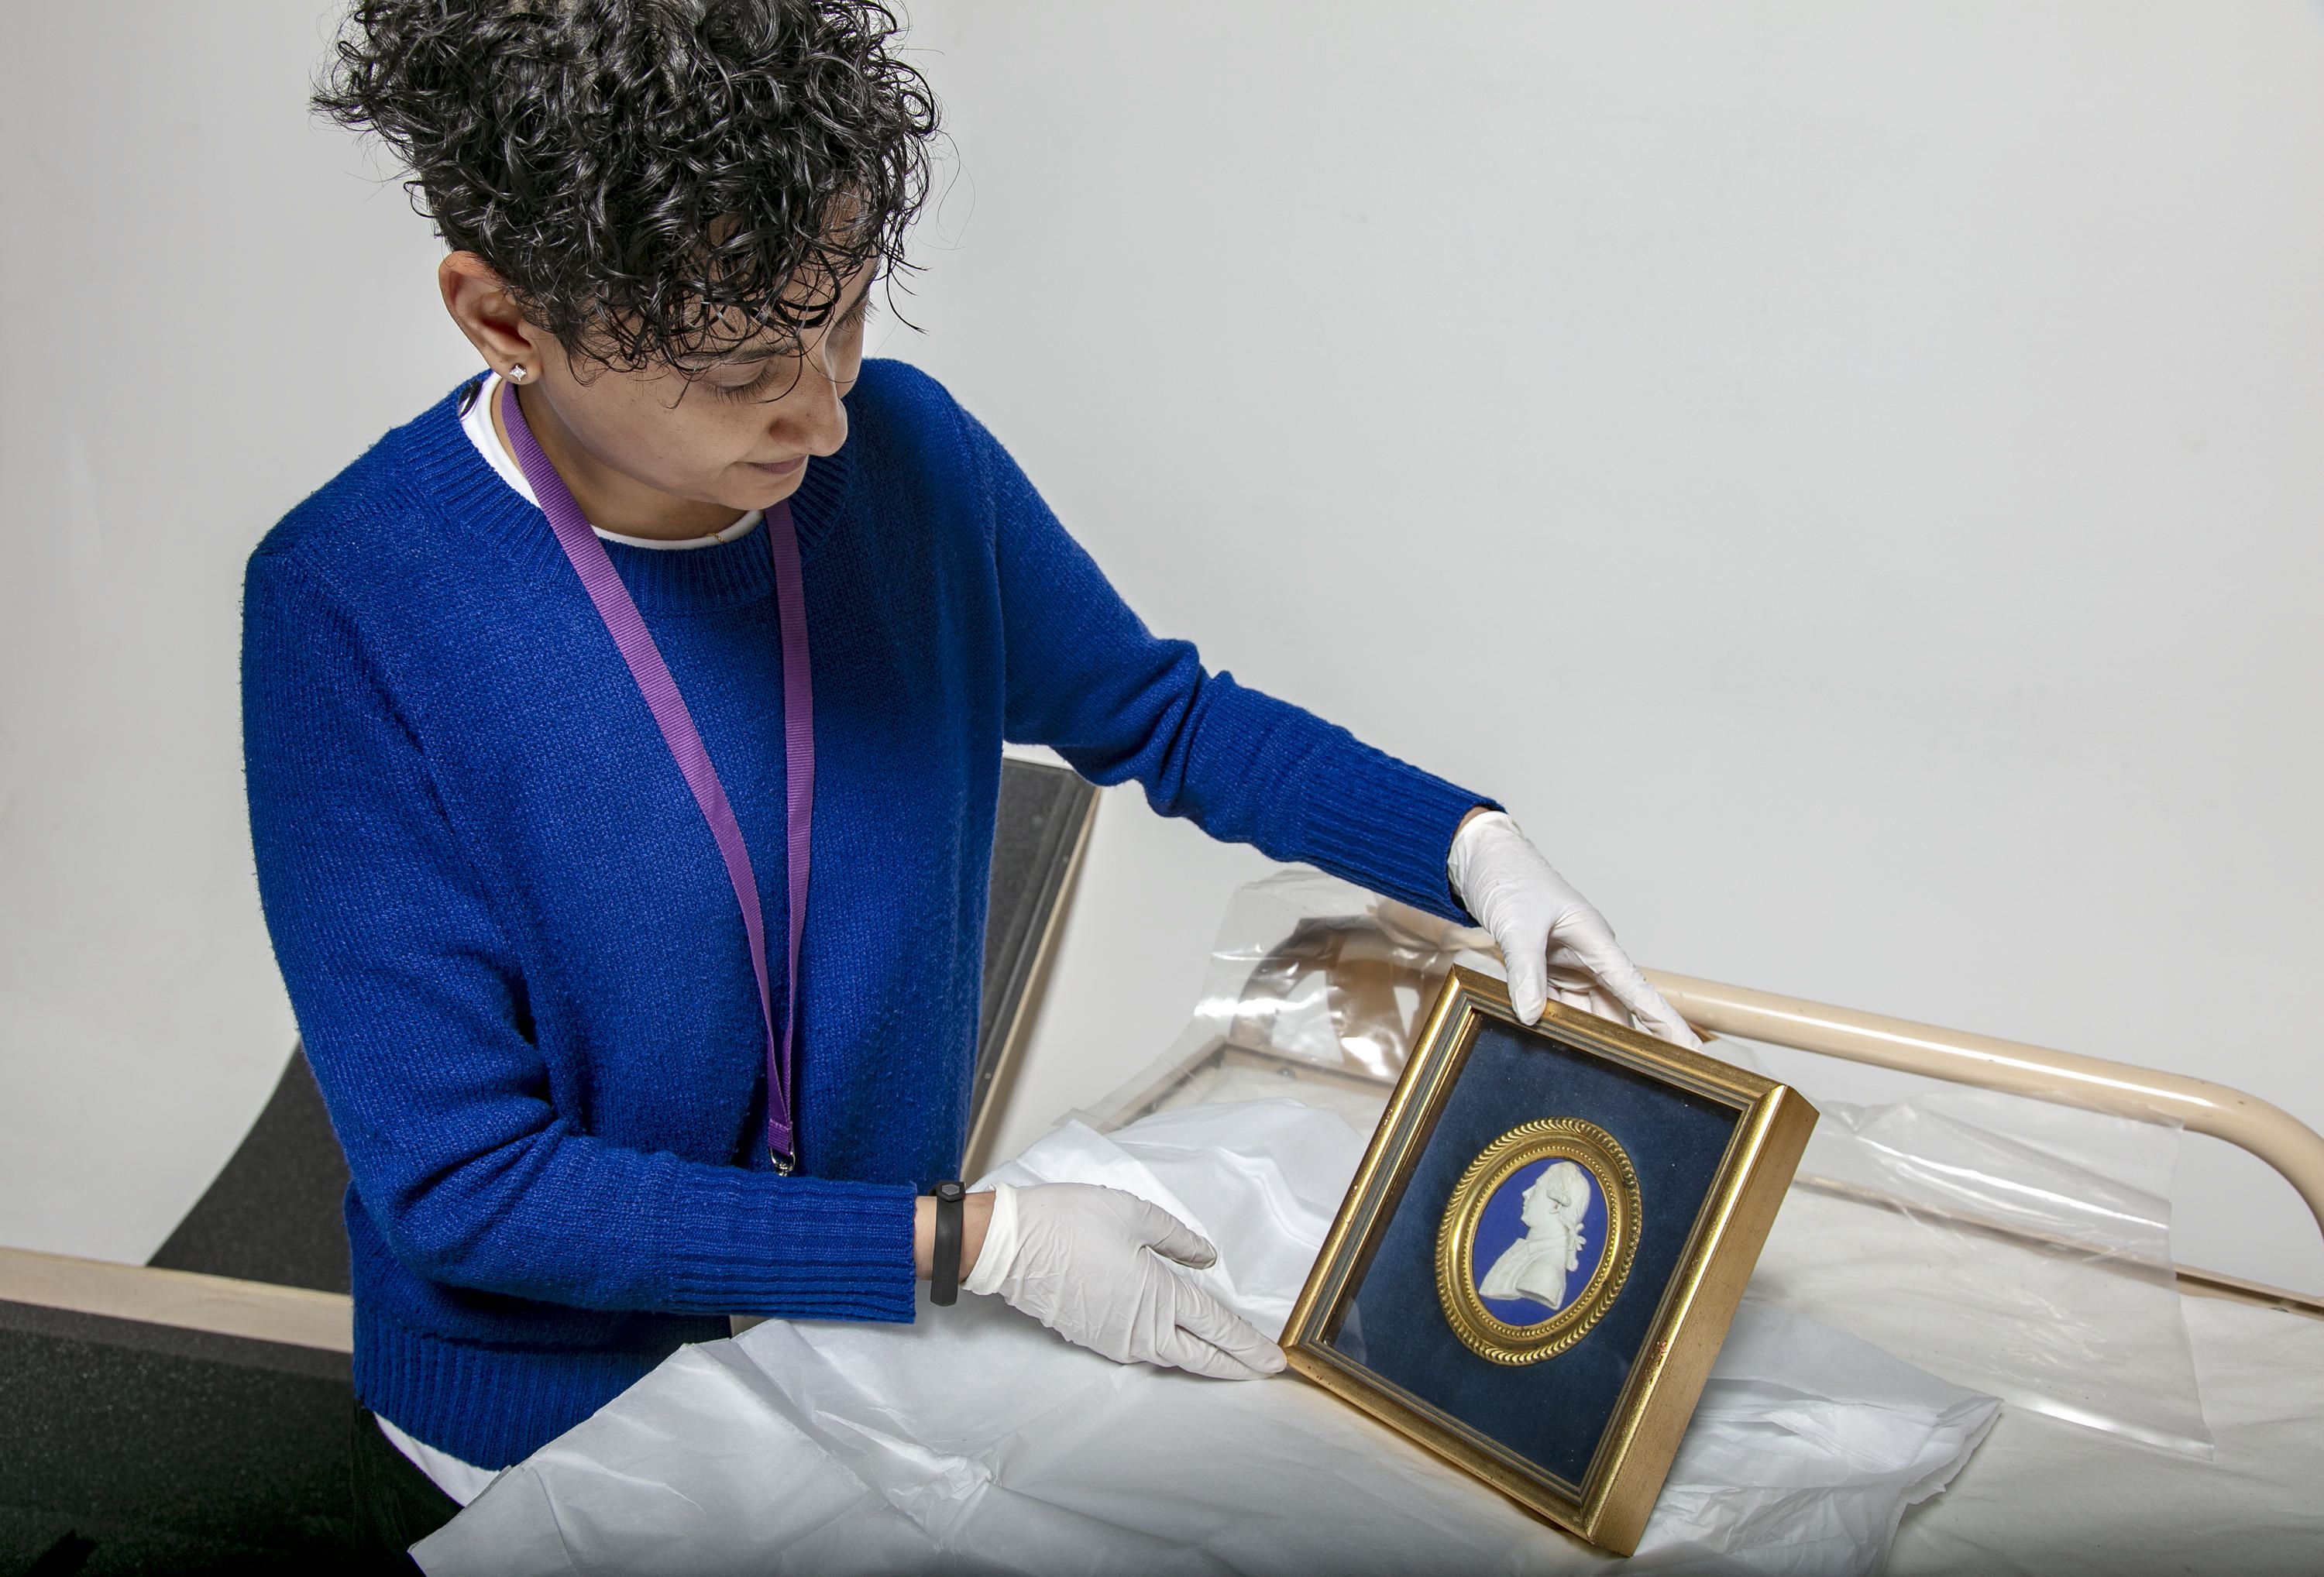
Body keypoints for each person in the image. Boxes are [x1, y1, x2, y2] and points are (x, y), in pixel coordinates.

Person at [252, 0, 1700, 1559]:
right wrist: (976, 1242)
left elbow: (1163, 716)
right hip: (535, 1448)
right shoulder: (353, 603)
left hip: (860, 1366)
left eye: (844, 317)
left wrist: (1473, 846)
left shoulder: (907, 459)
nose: (824, 412)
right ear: (503, 319)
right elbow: (470, 1187)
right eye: (742, 367)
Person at [1478, 1162, 1593, 1313]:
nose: (1526, 1193)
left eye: (1537, 1187)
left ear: (1556, 1206)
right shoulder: (1529, 1250)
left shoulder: (1546, 1272)